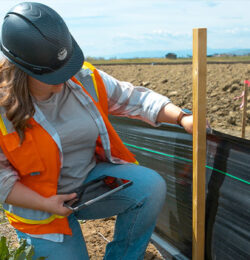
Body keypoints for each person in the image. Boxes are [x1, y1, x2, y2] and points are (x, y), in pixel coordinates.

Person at [0, 2, 193, 259]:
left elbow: (133, 99)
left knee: (149, 187)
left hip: (89, 183)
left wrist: (182, 117)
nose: (61, 84)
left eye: (64, 70)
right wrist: (45, 203)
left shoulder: (83, 77)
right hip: (39, 208)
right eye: (50, 77)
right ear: (22, 68)